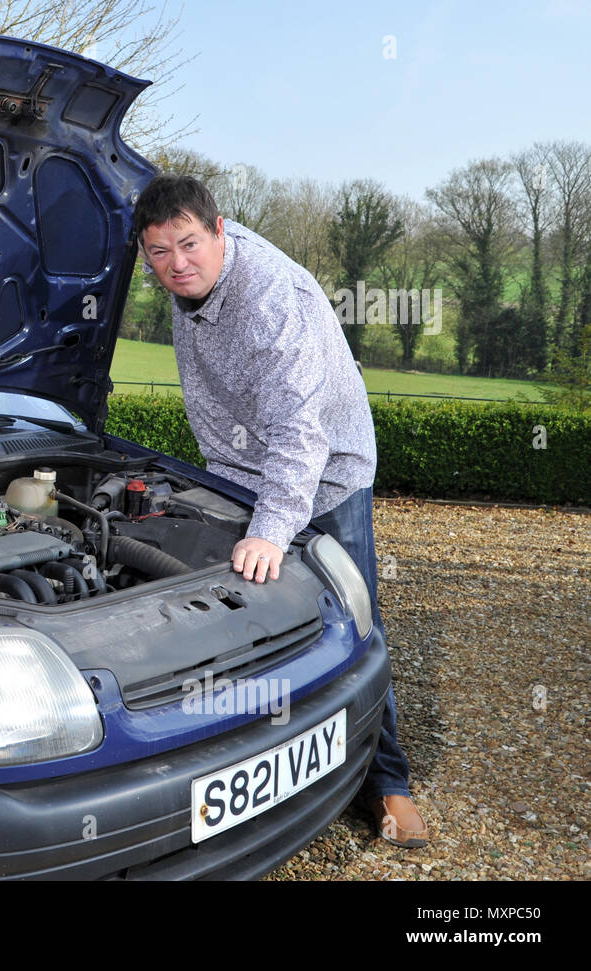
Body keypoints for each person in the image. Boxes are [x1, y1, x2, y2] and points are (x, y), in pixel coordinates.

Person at [133, 173, 427, 848]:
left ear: (219, 229)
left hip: (326, 476)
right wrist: (223, 493)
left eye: (187, 243)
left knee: (353, 628)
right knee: (253, 629)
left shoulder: (270, 297)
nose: (176, 263)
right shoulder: (189, 290)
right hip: (243, 474)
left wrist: (269, 527)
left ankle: (389, 782)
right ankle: (265, 768)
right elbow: (208, 400)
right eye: (158, 252)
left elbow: (300, 430)